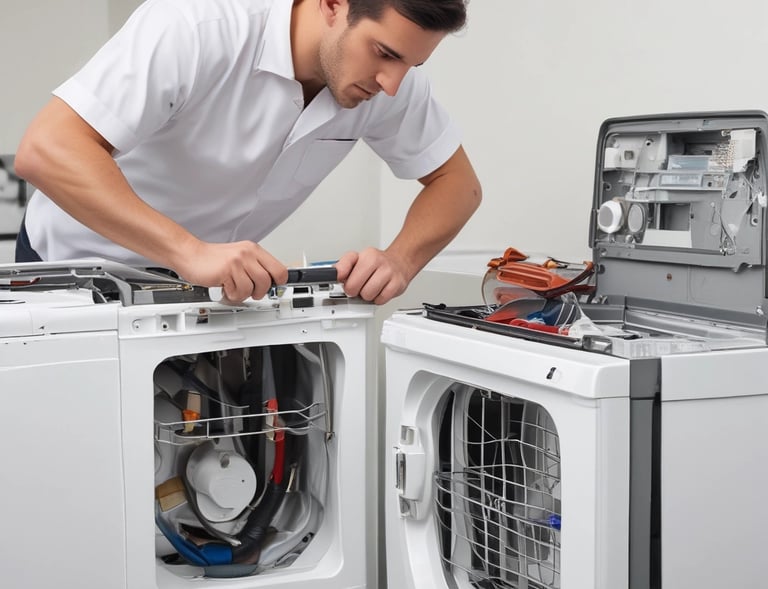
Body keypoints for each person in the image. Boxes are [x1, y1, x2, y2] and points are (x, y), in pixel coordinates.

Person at [15, 0, 481, 304]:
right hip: (71, 274)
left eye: (411, 64)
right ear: (333, 5)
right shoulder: (196, 26)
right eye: (383, 52)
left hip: (206, 290)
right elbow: (48, 148)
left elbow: (459, 186)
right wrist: (188, 250)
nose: (392, 84)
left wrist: (400, 259)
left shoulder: (388, 84)